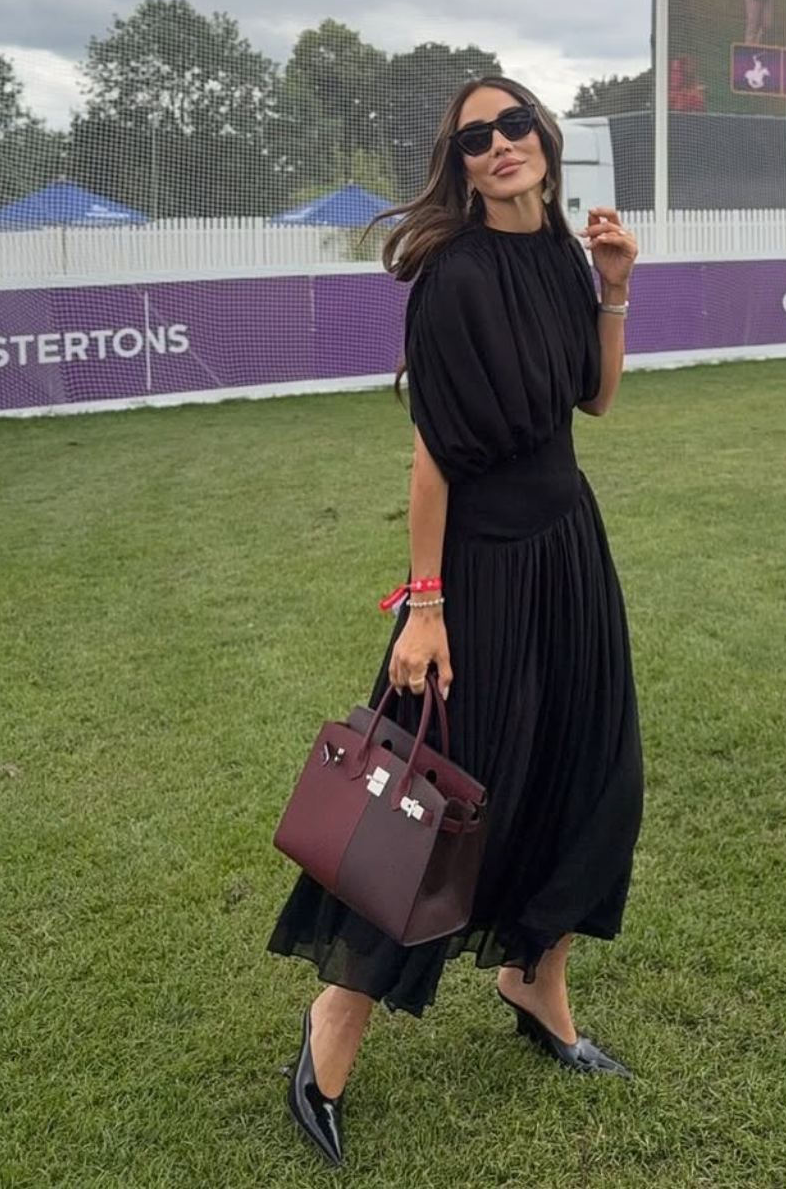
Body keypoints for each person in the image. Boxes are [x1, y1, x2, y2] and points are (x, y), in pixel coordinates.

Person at [268, 78, 645, 1166]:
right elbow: (433, 449)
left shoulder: (562, 257)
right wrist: (421, 606)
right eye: (474, 138)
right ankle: (330, 1029)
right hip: (477, 569)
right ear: (462, 163)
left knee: (588, 776)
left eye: (512, 124)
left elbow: (593, 398)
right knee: (425, 807)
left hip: (569, 548)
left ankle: (535, 980)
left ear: (542, 135)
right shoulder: (453, 277)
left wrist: (613, 288)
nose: (498, 145)